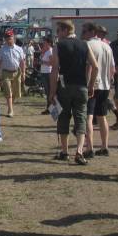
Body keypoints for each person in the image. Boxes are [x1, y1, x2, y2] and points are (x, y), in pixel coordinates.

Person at [48, 19, 99, 165]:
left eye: (58, 31)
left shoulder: (59, 45)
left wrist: (52, 92)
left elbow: (55, 69)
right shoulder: (84, 44)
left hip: (65, 86)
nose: (57, 34)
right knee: (81, 118)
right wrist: (91, 86)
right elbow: (95, 67)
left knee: (63, 117)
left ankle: (64, 152)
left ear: (65, 30)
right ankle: (79, 151)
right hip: (81, 86)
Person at [82, 22, 115, 157]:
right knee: (102, 116)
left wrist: (88, 84)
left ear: (91, 32)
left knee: (88, 116)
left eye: (84, 31)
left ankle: (89, 148)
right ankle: (104, 146)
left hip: (92, 84)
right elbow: (112, 68)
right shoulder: (107, 46)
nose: (82, 34)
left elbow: (88, 66)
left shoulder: (88, 45)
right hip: (105, 85)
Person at [0, 30, 25, 117]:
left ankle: (10, 103)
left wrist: (23, 73)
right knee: (8, 90)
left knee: (16, 92)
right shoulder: (2, 50)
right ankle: (10, 109)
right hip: (5, 73)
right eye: (7, 38)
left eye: (10, 37)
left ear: (14, 38)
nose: (9, 39)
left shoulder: (19, 49)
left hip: (17, 73)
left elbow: (22, 62)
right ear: (5, 39)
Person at [39, 36, 54, 114]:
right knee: (47, 92)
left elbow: (52, 63)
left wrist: (43, 62)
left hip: (48, 73)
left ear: (49, 43)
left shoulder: (50, 51)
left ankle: (50, 109)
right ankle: (49, 109)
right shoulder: (46, 51)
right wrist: (43, 51)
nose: (43, 43)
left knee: (49, 92)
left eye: (45, 42)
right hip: (44, 72)